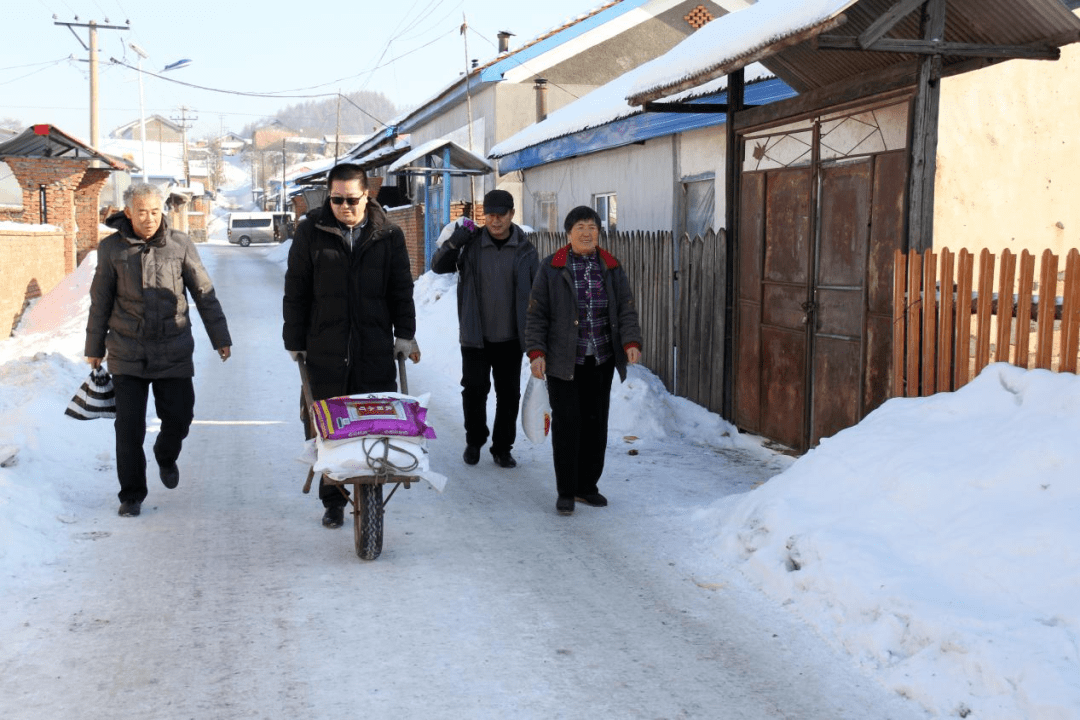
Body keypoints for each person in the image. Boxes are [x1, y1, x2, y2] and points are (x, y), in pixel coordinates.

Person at [283, 163, 419, 528]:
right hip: (325, 347)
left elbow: (401, 290)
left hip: (373, 346)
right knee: (328, 427)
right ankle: (333, 498)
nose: (344, 206)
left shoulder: (387, 234)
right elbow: (296, 289)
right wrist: (294, 340)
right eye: (337, 199)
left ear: (367, 196)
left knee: (372, 423)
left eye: (351, 199)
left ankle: (371, 488)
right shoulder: (311, 231)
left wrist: (404, 334)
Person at [85, 183, 232, 518]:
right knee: (128, 428)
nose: (149, 218)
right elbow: (100, 301)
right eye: (142, 212)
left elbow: (203, 292)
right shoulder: (111, 250)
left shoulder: (180, 244)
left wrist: (220, 335)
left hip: (173, 349)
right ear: (128, 213)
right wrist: (93, 346)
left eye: (155, 211)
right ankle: (132, 495)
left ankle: (166, 454)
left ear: (162, 211)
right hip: (126, 351)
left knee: (180, 417)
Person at [524, 206, 642, 516]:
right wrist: (537, 352)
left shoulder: (611, 267)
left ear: (599, 232)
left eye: (592, 226)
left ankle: (587, 487)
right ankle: (566, 490)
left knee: (595, 425)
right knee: (567, 425)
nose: (587, 232)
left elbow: (626, 308)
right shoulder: (551, 267)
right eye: (580, 227)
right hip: (565, 362)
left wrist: (630, 341)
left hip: (601, 359)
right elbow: (537, 314)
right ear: (568, 233)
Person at [431, 189, 539, 468]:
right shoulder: (470, 244)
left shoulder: (526, 250)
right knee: (474, 391)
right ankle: (474, 440)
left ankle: (503, 447)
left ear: (512, 214)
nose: (495, 220)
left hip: (511, 337)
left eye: (501, 214)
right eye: (490, 215)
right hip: (475, 334)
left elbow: (538, 293)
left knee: (509, 395)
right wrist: (455, 242)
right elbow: (439, 267)